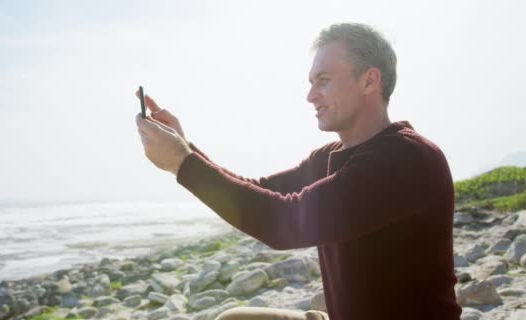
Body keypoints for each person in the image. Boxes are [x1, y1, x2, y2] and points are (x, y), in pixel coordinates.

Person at [135, 23, 462, 320]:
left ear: (369, 81)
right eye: (311, 83)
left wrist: (182, 163)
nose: (310, 95)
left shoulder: (406, 158)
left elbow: (283, 222)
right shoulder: (329, 157)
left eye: (323, 81)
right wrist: (186, 149)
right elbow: (261, 189)